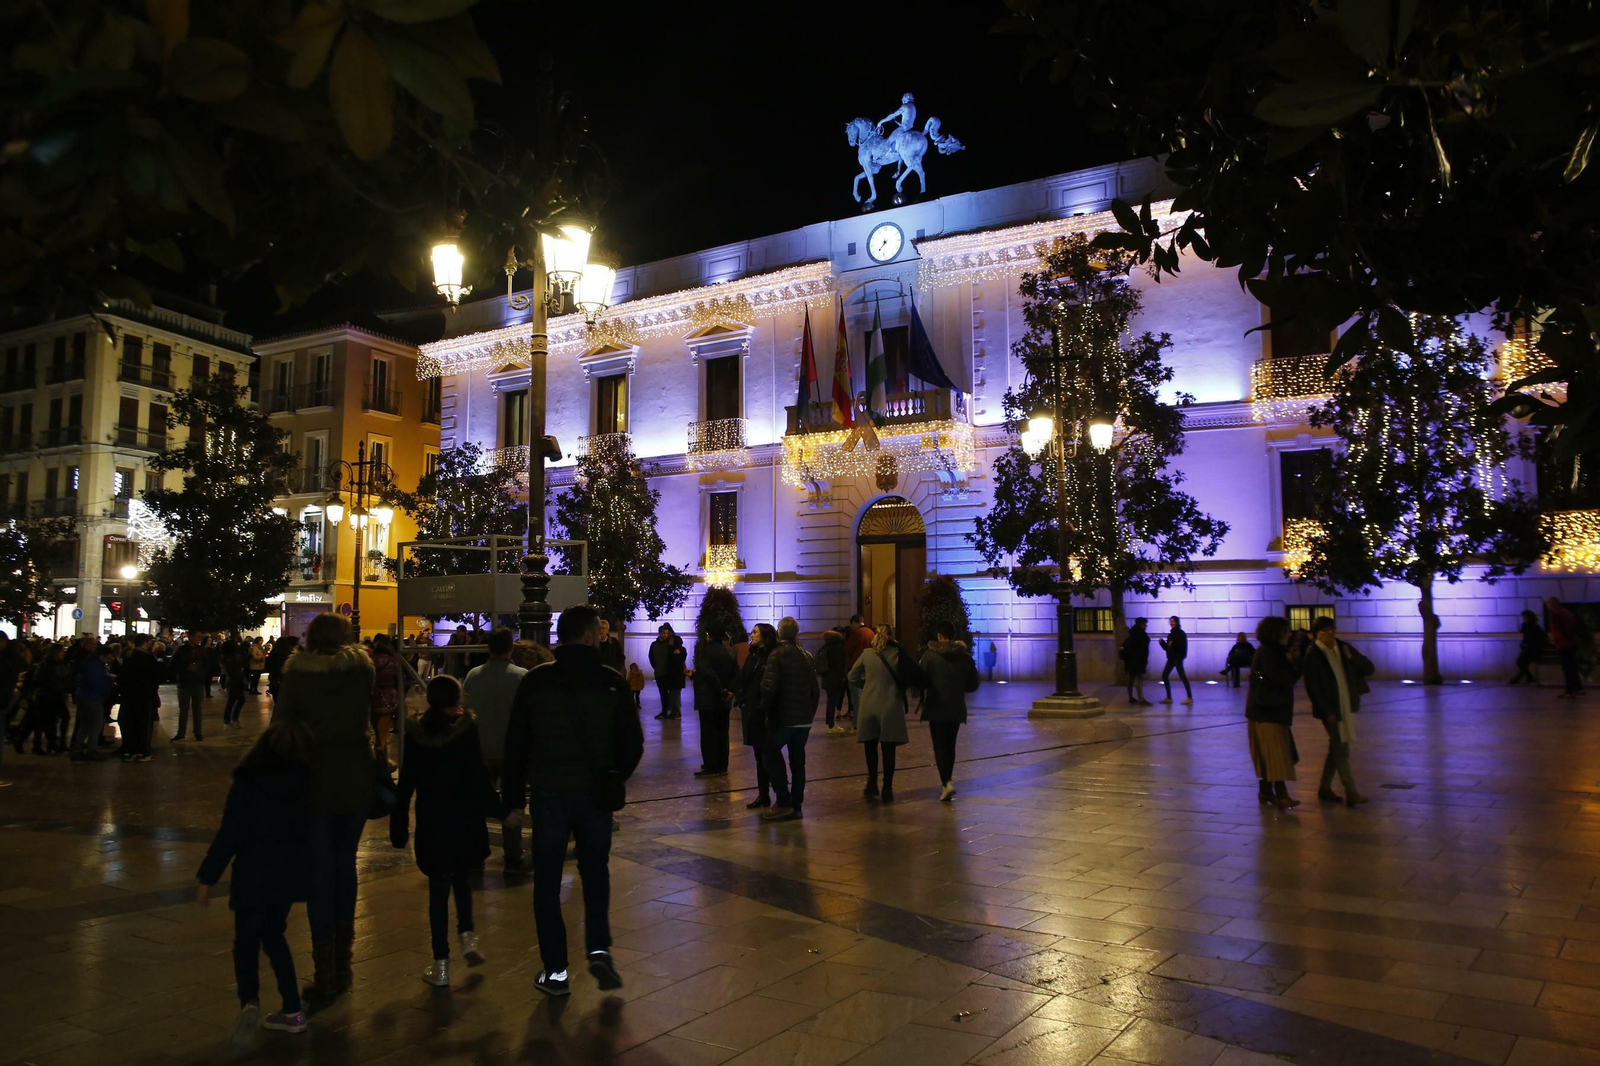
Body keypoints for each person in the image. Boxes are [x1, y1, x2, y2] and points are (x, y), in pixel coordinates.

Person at [500, 605, 644, 997]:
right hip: (595, 793)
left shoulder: (536, 682)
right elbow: (632, 743)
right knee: (595, 871)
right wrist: (615, 776)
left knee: (546, 881)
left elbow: (516, 744)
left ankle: (557, 971)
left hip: (549, 793)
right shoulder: (611, 682)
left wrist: (513, 800)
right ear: (587, 635)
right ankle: (598, 948)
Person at [270, 612, 376, 1007]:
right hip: (355, 775)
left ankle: (325, 971)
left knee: (319, 870)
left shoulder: (298, 674)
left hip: (312, 778)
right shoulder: (361, 671)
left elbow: (280, 727)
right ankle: (344, 964)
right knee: (344, 863)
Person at [195, 720, 315, 1050]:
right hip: (287, 877)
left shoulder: (249, 782)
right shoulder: (307, 784)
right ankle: (292, 1011)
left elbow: (229, 834)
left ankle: (249, 1001)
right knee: (275, 937)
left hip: (252, 874)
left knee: (245, 941)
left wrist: (207, 878)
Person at [391, 675, 507, 988]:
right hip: (464, 816)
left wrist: (399, 823)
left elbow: (407, 781)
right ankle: (468, 936)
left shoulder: (416, 732)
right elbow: (479, 776)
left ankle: (440, 965)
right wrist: (500, 811)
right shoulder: (467, 730)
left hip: (433, 819)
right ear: (458, 698)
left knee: (438, 890)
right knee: (462, 877)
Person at [463, 627, 529, 872]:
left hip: (480, 748)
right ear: (511, 647)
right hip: (511, 750)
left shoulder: (473, 675)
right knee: (513, 802)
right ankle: (513, 855)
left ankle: (477, 853)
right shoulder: (521, 676)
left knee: (478, 801)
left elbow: (465, 710)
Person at [1301, 617, 1372, 807]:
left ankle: (1324, 788)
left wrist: (1351, 657)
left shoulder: (1343, 648)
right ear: (1316, 634)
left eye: (1332, 630)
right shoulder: (1313, 654)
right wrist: (1326, 710)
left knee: (1336, 747)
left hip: (1347, 705)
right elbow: (1313, 687)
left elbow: (1368, 668)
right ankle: (1351, 791)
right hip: (1331, 710)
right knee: (1341, 748)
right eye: (1325, 631)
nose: (1330, 634)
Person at [757, 617, 818, 822]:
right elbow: (815, 689)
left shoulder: (777, 655)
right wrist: (810, 713)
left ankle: (783, 801)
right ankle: (796, 804)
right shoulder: (806, 655)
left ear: (780, 633)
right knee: (798, 761)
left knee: (770, 754)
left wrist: (765, 710)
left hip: (784, 719)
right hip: (804, 720)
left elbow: (768, 688)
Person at [849, 624, 918, 803]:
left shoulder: (867, 654)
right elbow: (913, 674)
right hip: (891, 705)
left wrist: (865, 687)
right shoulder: (897, 653)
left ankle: (872, 782)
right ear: (891, 636)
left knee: (870, 745)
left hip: (869, 704)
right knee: (888, 749)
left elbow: (851, 677)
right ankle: (888, 788)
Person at [1247, 616, 1304, 810]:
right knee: (1277, 754)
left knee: (1269, 754)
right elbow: (1283, 679)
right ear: (1276, 633)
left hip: (1265, 711)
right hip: (1268, 712)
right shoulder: (1271, 653)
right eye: (1286, 631)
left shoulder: (1270, 651)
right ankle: (1281, 795)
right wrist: (1294, 662)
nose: (1289, 635)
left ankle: (1265, 791)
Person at [918, 622, 980, 802]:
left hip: (936, 707)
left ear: (939, 636)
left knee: (939, 746)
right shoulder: (964, 657)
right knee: (950, 745)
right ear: (953, 635)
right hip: (956, 708)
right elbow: (973, 685)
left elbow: (921, 680)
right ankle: (948, 780)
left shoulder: (929, 656)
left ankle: (946, 783)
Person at [738, 624, 778, 809]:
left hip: (766, 713)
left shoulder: (773, 656)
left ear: (765, 635)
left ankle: (779, 794)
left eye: (755, 632)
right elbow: (744, 678)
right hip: (752, 712)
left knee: (769, 756)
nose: (751, 635)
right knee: (759, 757)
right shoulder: (753, 655)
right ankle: (763, 794)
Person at [691, 626, 737, 778]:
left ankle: (711, 766)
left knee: (708, 733)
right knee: (723, 732)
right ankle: (722, 764)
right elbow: (736, 673)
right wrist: (729, 691)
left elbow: (707, 673)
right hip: (724, 700)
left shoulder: (704, 651)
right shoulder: (729, 650)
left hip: (708, 698)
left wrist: (720, 691)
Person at [116, 634, 162, 762]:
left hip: (128, 695)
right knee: (144, 724)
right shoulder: (148, 658)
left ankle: (130, 750)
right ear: (146, 643)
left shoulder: (128, 656)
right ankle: (143, 752)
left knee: (129, 723)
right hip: (144, 695)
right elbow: (155, 677)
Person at [70, 644, 115, 761]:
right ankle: (91, 750)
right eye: (108, 658)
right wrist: (108, 684)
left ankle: (77, 750)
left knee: (84, 725)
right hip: (93, 698)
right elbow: (96, 684)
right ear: (102, 656)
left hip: (83, 696)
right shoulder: (95, 666)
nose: (109, 661)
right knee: (95, 726)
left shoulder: (89, 663)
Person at [369, 634, 402, 761]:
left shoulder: (369, 662)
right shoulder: (393, 662)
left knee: (380, 734)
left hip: (373, 702)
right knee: (381, 738)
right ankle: (378, 766)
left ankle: (385, 762)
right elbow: (400, 682)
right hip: (388, 703)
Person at [647, 624, 686, 720]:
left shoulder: (670, 644)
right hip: (660, 673)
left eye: (666, 633)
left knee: (673, 693)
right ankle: (665, 711)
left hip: (669, 673)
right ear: (659, 633)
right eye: (663, 633)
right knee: (663, 693)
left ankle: (674, 712)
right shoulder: (654, 645)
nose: (665, 635)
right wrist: (657, 667)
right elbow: (651, 658)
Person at [171, 634, 206, 741]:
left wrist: (200, 670)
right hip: (185, 682)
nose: (199, 639)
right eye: (197, 637)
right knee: (184, 709)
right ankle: (181, 733)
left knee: (197, 708)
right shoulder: (181, 650)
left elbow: (206, 664)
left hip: (198, 682)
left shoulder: (202, 650)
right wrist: (186, 668)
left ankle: (198, 732)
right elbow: (174, 664)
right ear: (191, 637)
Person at [1547, 596, 1584, 697]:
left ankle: (1570, 689)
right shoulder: (1566, 612)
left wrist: (1558, 641)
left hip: (1564, 644)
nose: (1548, 606)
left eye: (1549, 604)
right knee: (1572, 667)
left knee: (1568, 668)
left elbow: (1560, 630)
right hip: (1570, 643)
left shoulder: (1556, 614)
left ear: (1553, 604)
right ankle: (1578, 688)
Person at [841, 615, 875, 721]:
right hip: (869, 667)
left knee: (856, 697)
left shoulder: (856, 633)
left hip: (856, 666)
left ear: (855, 622)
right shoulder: (871, 633)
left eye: (852, 624)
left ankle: (857, 723)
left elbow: (847, 649)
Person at [816, 626, 849, 734]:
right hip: (836, 679)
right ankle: (831, 724)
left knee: (831, 701)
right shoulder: (838, 648)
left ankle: (830, 723)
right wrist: (843, 676)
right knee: (833, 701)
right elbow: (840, 665)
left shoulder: (826, 647)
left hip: (828, 678)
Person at [1159, 616, 1192, 705]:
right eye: (1171, 621)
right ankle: (1169, 697)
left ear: (1177, 622)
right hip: (1171, 658)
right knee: (1164, 675)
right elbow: (1167, 648)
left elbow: (1181, 646)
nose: (1172, 623)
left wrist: (1172, 644)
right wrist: (1162, 644)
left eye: (1173, 621)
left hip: (1178, 658)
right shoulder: (1171, 634)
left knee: (1182, 676)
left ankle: (1189, 697)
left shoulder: (1181, 633)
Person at [1510, 608, 1547, 685]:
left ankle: (1520, 678)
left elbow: (1533, 640)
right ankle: (1528, 678)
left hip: (1534, 650)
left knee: (1521, 662)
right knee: (1521, 662)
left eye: (1524, 618)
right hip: (1529, 649)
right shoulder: (1527, 627)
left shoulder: (1533, 627)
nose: (1523, 619)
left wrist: (1525, 645)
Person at [1121, 619, 1151, 705]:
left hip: (1130, 661)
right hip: (1138, 661)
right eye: (1145, 624)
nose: (1146, 626)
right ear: (1141, 624)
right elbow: (1142, 650)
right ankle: (1141, 699)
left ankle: (1131, 697)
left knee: (1131, 679)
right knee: (1139, 679)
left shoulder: (1132, 635)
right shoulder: (1141, 635)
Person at [221, 636, 249, 730]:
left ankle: (230, 720)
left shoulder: (232, 656)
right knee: (237, 700)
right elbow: (237, 666)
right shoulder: (230, 658)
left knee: (233, 700)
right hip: (234, 681)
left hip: (235, 680)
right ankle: (231, 720)